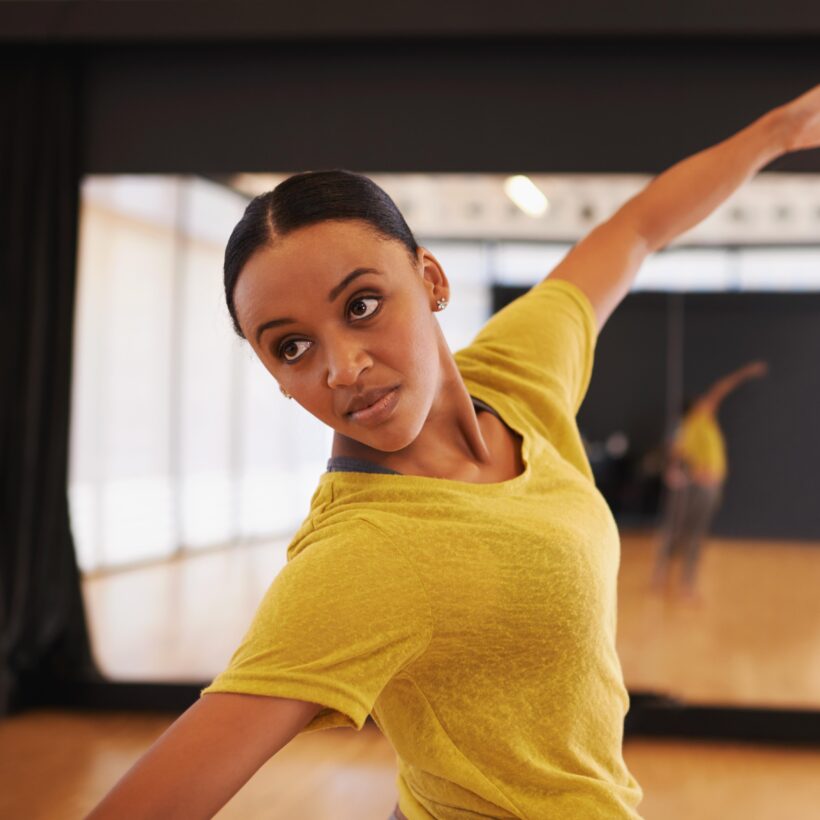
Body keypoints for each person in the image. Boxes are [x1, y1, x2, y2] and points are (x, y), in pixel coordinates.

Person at [88, 84, 820, 820]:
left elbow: (635, 230)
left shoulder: (518, 371)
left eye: (362, 304)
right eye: (294, 347)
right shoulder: (362, 555)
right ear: (275, 375)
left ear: (430, 280)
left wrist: (777, 132)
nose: (341, 367)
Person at [651, 361, 768, 599]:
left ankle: (680, 582)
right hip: (697, 489)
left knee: (693, 535)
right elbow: (720, 388)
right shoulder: (694, 422)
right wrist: (747, 371)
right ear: (697, 407)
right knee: (678, 532)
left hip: (709, 488)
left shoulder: (695, 426)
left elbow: (675, 454)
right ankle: (664, 576)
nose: (711, 404)